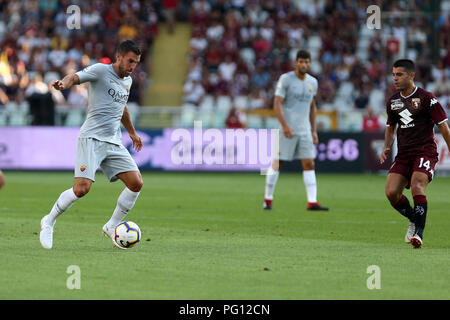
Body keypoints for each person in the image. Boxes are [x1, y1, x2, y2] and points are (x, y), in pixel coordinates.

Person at [39, 40, 144, 250]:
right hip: (92, 138)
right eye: (130, 61)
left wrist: (131, 132)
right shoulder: (100, 71)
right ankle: (48, 221)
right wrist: (63, 84)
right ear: (119, 57)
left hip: (113, 141)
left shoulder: (128, 81)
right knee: (82, 189)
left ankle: (111, 225)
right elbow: (75, 77)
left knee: (136, 183)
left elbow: (122, 109)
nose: (133, 66)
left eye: (137, 63)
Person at [380, 59, 450, 248]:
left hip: (425, 152)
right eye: (393, 74)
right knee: (391, 193)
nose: (395, 78)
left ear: (411, 76)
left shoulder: (427, 98)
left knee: (417, 185)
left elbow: (444, 127)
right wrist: (387, 146)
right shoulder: (393, 102)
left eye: (399, 74)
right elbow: (390, 127)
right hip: (403, 154)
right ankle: (413, 218)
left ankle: (418, 234)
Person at [263, 50, 328, 211]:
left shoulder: (313, 82)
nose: (304, 65)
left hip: (304, 129)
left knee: (309, 163)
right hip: (287, 128)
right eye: (301, 62)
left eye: (307, 62)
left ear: (310, 63)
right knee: (278, 163)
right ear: (296, 63)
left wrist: (313, 131)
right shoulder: (286, 79)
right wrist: (284, 125)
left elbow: (313, 108)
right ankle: (268, 199)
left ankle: (312, 202)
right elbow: (277, 103)